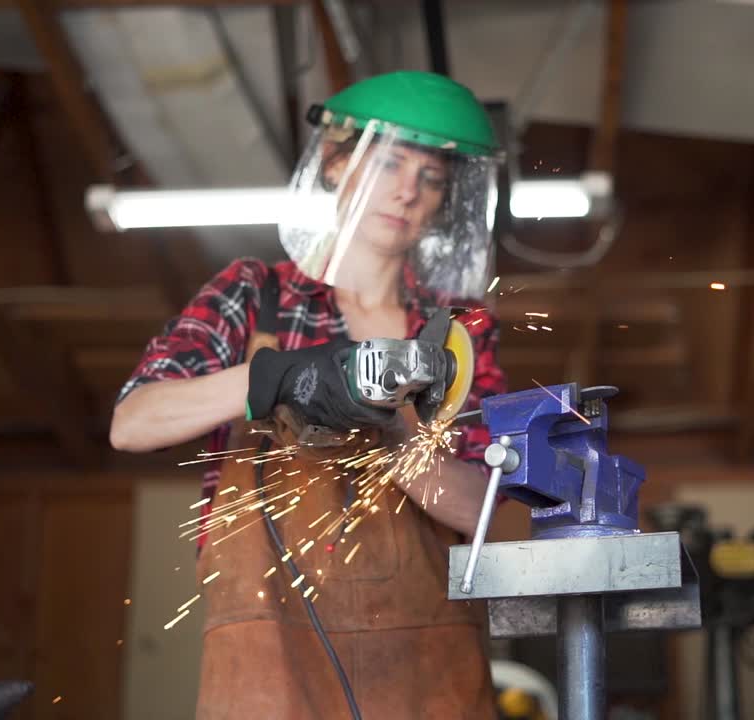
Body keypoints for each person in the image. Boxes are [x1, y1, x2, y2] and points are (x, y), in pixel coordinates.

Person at [109, 71, 508, 719]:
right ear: (334, 163)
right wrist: (280, 378)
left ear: (446, 202)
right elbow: (133, 422)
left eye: (431, 178)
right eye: (389, 163)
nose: (408, 190)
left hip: (426, 661)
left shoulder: (456, 336)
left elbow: (491, 514)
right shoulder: (254, 294)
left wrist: (396, 430)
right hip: (268, 653)